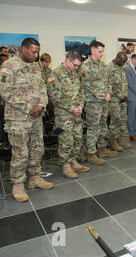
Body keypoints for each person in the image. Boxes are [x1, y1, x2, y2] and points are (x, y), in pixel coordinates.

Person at [0, 38, 54, 202]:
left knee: (37, 149)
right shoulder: (8, 66)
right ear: (23, 49)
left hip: (36, 118)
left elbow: (43, 89)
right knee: (21, 153)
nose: (36, 55)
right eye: (33, 51)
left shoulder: (35, 67)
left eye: (38, 51)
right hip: (18, 119)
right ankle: (18, 185)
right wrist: (28, 107)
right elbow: (5, 92)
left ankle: (35, 178)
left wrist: (42, 106)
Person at [47, 50, 89, 179]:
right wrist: (71, 108)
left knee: (77, 138)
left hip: (76, 114)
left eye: (78, 65)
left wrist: (81, 105)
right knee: (66, 140)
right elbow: (54, 96)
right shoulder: (55, 74)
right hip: (63, 115)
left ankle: (73, 161)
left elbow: (81, 91)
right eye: (75, 65)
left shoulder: (75, 73)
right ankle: (66, 165)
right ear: (68, 59)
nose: (76, 67)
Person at [81, 40, 117, 166]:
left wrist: (109, 93)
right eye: (100, 51)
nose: (102, 54)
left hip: (104, 101)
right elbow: (87, 84)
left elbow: (109, 81)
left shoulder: (103, 66)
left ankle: (102, 148)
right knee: (93, 127)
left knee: (103, 125)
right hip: (93, 102)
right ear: (92, 50)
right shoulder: (85, 66)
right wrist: (103, 95)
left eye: (103, 51)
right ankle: (91, 153)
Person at [108, 52, 132, 150]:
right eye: (122, 61)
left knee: (123, 120)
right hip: (114, 100)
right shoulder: (109, 68)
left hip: (123, 100)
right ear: (117, 58)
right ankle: (113, 141)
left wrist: (125, 95)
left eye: (125, 62)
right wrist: (118, 96)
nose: (123, 63)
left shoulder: (121, 68)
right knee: (115, 120)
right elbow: (108, 85)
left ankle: (120, 139)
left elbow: (124, 83)